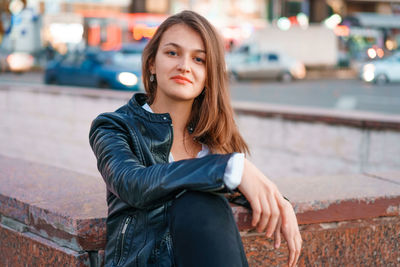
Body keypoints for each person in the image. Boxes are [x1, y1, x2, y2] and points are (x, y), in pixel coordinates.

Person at [89, 10, 302, 267]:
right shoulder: (114, 126)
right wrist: (231, 166)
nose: (185, 66)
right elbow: (133, 184)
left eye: (199, 59)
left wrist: (280, 202)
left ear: (209, 74)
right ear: (152, 63)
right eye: (172, 53)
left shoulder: (213, 140)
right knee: (196, 203)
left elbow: (244, 188)